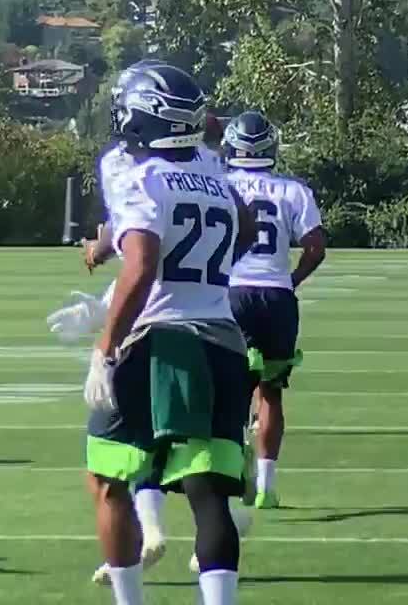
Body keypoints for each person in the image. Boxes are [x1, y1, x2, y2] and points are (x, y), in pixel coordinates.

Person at [83, 60, 256, 605]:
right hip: (222, 337)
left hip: (160, 339)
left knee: (109, 475)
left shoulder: (139, 172)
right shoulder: (211, 169)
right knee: (209, 490)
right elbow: (246, 226)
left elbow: (142, 260)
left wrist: (105, 345)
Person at [221, 111, 327, 509]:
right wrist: (292, 279)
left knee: (230, 393)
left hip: (232, 293)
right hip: (276, 296)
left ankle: (232, 474)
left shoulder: (220, 185)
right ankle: (266, 484)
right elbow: (315, 247)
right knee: (272, 392)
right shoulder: (293, 190)